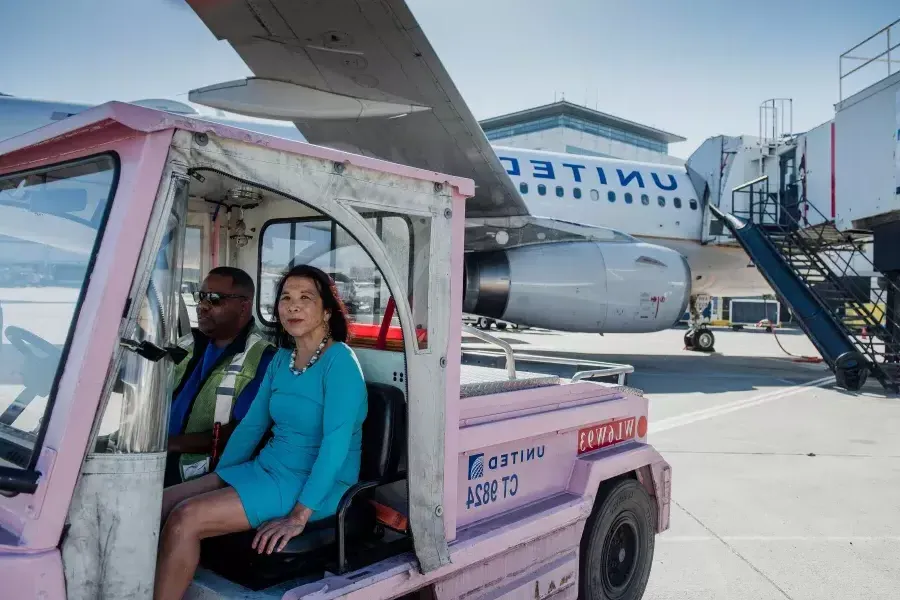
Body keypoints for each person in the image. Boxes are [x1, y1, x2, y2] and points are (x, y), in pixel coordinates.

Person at [154, 265, 368, 600]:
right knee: (160, 502)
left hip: (315, 484)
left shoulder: (340, 362)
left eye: (305, 298)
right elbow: (253, 426)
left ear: (327, 310)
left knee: (186, 518)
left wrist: (299, 515)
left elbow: (335, 445)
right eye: (286, 297)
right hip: (269, 467)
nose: (292, 306)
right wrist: (223, 475)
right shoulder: (283, 359)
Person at [165, 266, 276, 487]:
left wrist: (167, 444)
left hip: (201, 473)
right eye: (201, 296)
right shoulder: (187, 344)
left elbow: (243, 431)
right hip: (156, 457)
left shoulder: (262, 359)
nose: (202, 306)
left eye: (214, 299)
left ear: (243, 306)